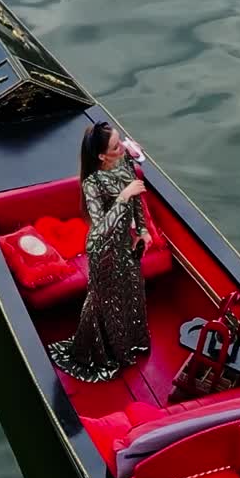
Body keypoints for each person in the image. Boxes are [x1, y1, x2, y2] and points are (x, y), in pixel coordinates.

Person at [49, 121, 153, 383]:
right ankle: (106, 355)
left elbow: (138, 199)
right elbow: (101, 229)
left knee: (133, 293)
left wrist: (142, 230)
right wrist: (122, 197)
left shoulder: (125, 164)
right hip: (103, 252)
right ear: (102, 155)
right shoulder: (92, 184)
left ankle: (132, 345)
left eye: (120, 142)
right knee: (107, 305)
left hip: (126, 249)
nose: (122, 148)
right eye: (116, 146)